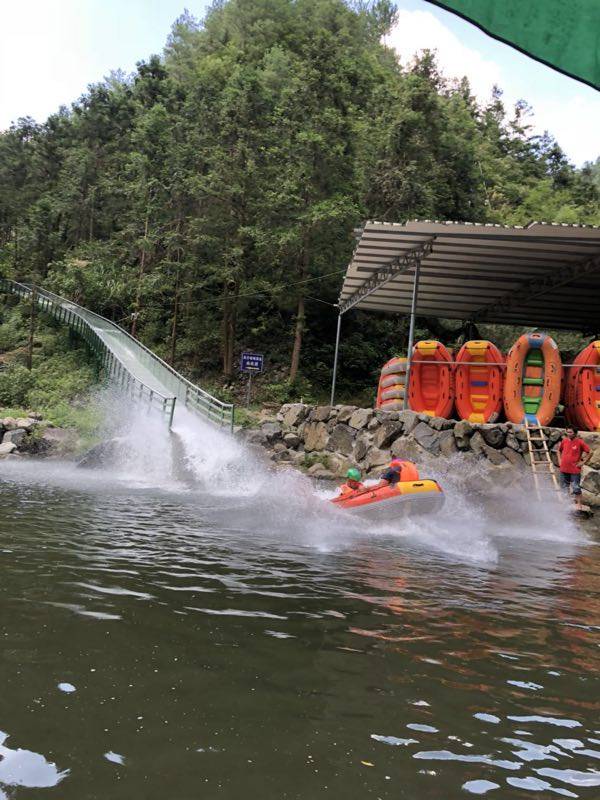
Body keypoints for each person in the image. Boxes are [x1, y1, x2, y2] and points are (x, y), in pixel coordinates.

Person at [558, 426, 591, 510]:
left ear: (575, 433)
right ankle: (566, 503)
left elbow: (590, 452)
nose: (568, 434)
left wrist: (583, 462)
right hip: (563, 469)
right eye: (567, 432)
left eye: (570, 432)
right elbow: (559, 451)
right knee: (564, 487)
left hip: (574, 470)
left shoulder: (580, 442)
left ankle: (579, 504)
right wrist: (559, 461)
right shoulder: (564, 440)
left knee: (576, 487)